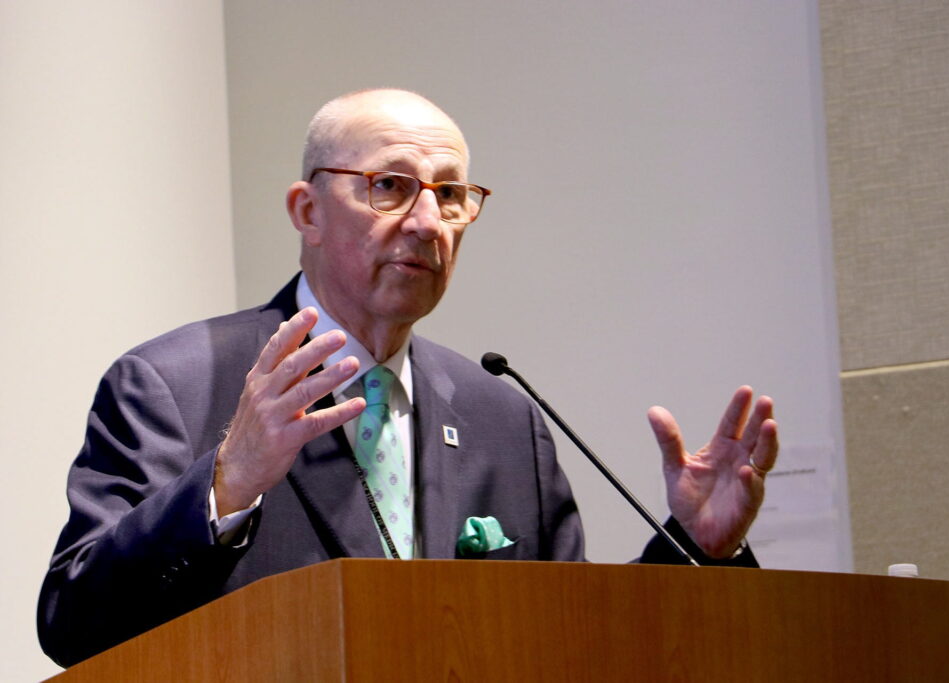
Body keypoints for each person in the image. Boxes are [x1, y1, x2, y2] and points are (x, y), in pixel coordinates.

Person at [38, 89, 778, 667]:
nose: (429, 222)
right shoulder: (175, 385)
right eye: (390, 186)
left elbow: (576, 640)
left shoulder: (501, 417)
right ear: (308, 211)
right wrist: (225, 487)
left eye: (452, 195)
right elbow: (72, 624)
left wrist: (694, 547)